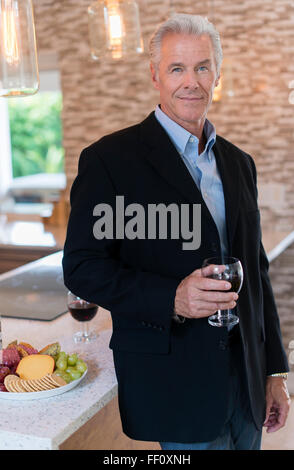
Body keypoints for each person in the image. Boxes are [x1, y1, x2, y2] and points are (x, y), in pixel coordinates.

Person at [62, 14, 290, 450]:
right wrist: (173, 298)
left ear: (217, 74)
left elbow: (257, 275)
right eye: (177, 68)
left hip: (244, 382)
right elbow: (82, 268)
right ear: (155, 76)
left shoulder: (240, 163)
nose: (191, 82)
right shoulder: (110, 160)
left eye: (202, 67)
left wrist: (273, 371)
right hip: (175, 386)